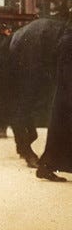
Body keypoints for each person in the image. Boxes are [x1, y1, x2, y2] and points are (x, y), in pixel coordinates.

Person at [36, 20, 72, 182]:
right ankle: (46, 166)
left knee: (61, 134)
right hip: (67, 94)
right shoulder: (68, 42)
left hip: (64, 94)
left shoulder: (66, 39)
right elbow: (67, 71)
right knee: (61, 134)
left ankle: (46, 166)